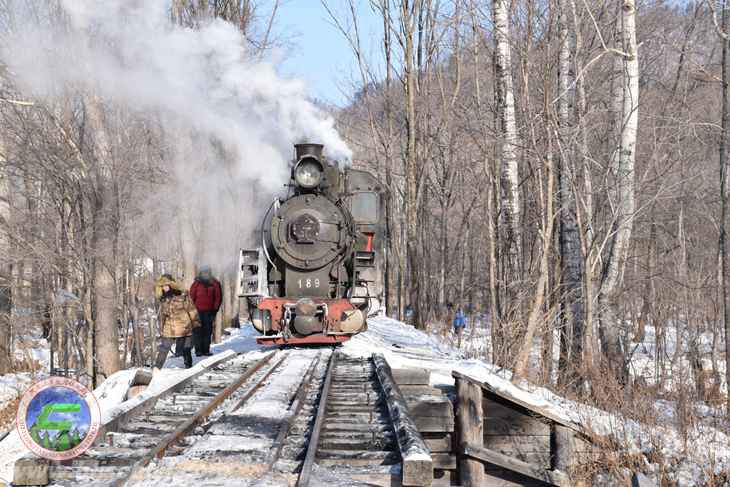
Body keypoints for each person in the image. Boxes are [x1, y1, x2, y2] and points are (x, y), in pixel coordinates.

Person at [154, 274, 199, 369]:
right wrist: (161, 329)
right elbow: (163, 316)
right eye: (162, 286)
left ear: (171, 284)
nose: (164, 288)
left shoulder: (182, 295)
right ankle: (156, 368)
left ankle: (188, 367)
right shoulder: (163, 299)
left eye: (166, 285)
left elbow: (191, 309)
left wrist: (196, 323)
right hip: (169, 327)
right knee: (164, 348)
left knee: (186, 349)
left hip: (184, 326)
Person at [189, 265, 222, 357]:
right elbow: (191, 297)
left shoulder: (215, 283)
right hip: (197, 312)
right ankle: (198, 350)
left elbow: (218, 297)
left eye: (206, 272)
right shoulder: (196, 284)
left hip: (209, 312)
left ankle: (206, 350)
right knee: (198, 331)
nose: (205, 274)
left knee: (207, 331)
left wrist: (215, 310)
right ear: (201, 273)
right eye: (203, 272)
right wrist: (192, 310)